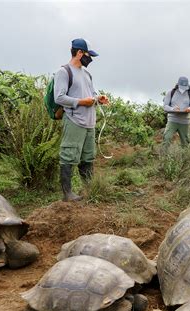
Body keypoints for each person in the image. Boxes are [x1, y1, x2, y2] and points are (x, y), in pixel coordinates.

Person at [54, 38, 109, 201]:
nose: (89, 59)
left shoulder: (87, 74)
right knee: (68, 156)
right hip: (74, 120)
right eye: (88, 55)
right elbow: (59, 97)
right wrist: (80, 102)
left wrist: (98, 98)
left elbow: (90, 95)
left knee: (88, 157)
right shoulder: (64, 72)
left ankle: (90, 190)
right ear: (79, 53)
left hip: (89, 123)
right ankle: (67, 194)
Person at [162, 76, 190, 149]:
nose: (183, 88)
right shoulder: (171, 93)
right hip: (172, 120)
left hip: (184, 122)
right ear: (178, 84)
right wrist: (173, 109)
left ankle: (185, 159)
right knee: (166, 138)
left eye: (185, 86)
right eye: (182, 86)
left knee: (185, 143)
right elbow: (165, 106)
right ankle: (163, 157)